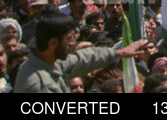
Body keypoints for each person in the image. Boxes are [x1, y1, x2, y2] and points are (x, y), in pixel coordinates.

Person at [14, 12, 147, 93]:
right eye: (68, 39)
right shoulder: (40, 86)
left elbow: (82, 58)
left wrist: (117, 53)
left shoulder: (47, 61)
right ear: (53, 42)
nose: (73, 43)